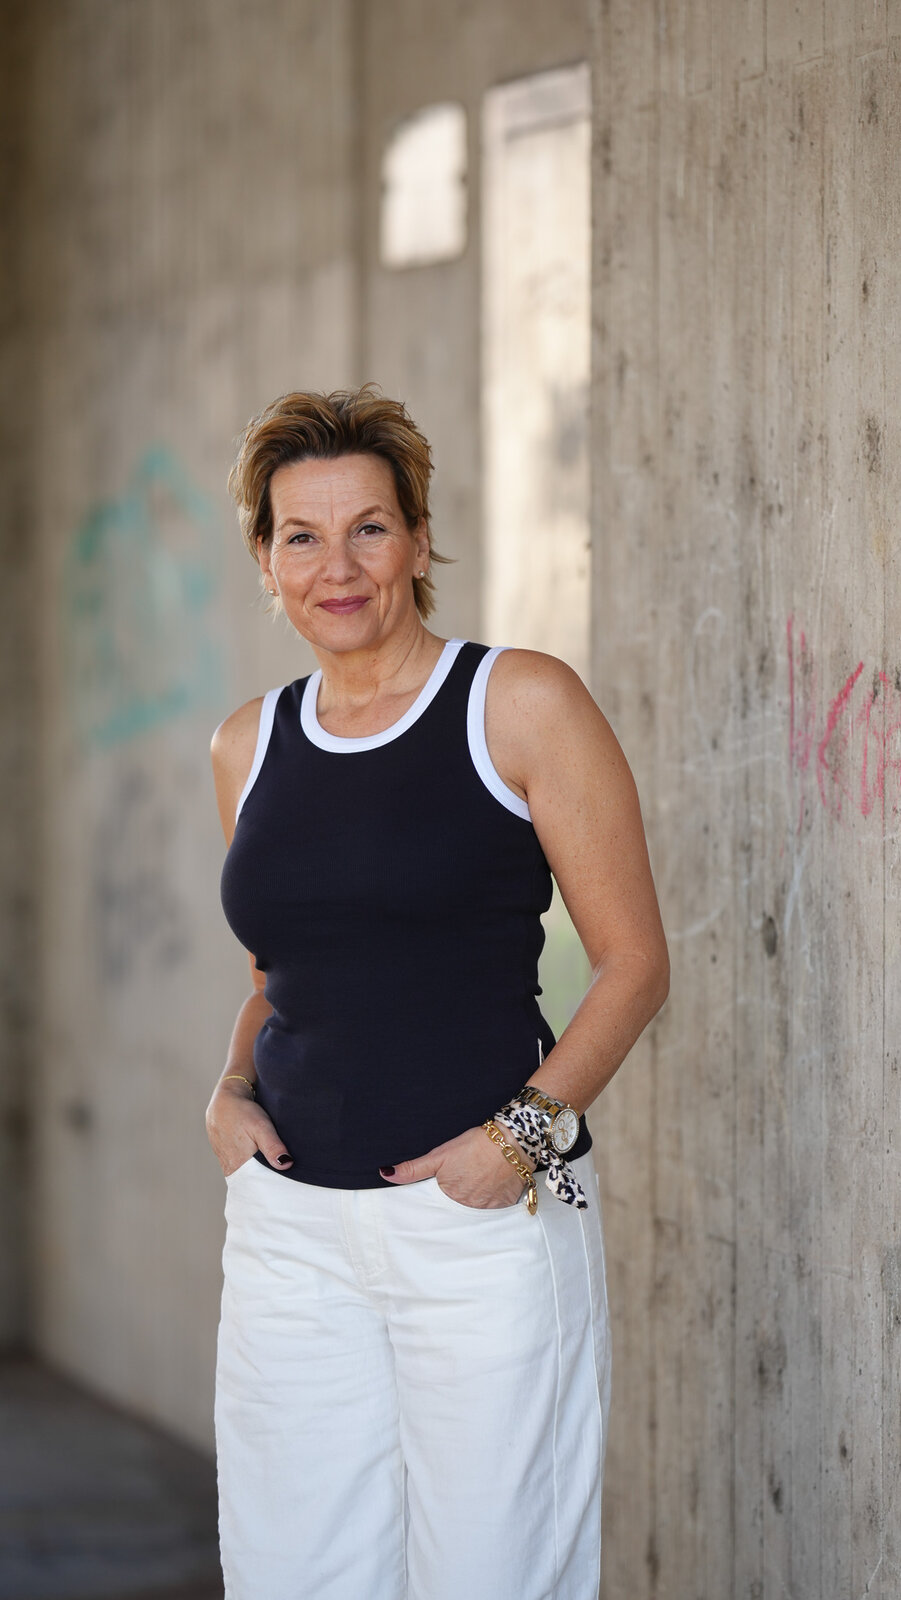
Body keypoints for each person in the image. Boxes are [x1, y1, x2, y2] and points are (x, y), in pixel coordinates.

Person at [206, 385, 669, 1600]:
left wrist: (517, 1143)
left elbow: (633, 961)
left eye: (369, 527)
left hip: (480, 1226)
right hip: (289, 1233)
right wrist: (227, 1090)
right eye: (301, 536)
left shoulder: (517, 702)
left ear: (418, 538)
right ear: (265, 560)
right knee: (294, 1574)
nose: (338, 566)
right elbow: (277, 976)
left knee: (492, 1574)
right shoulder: (247, 743)